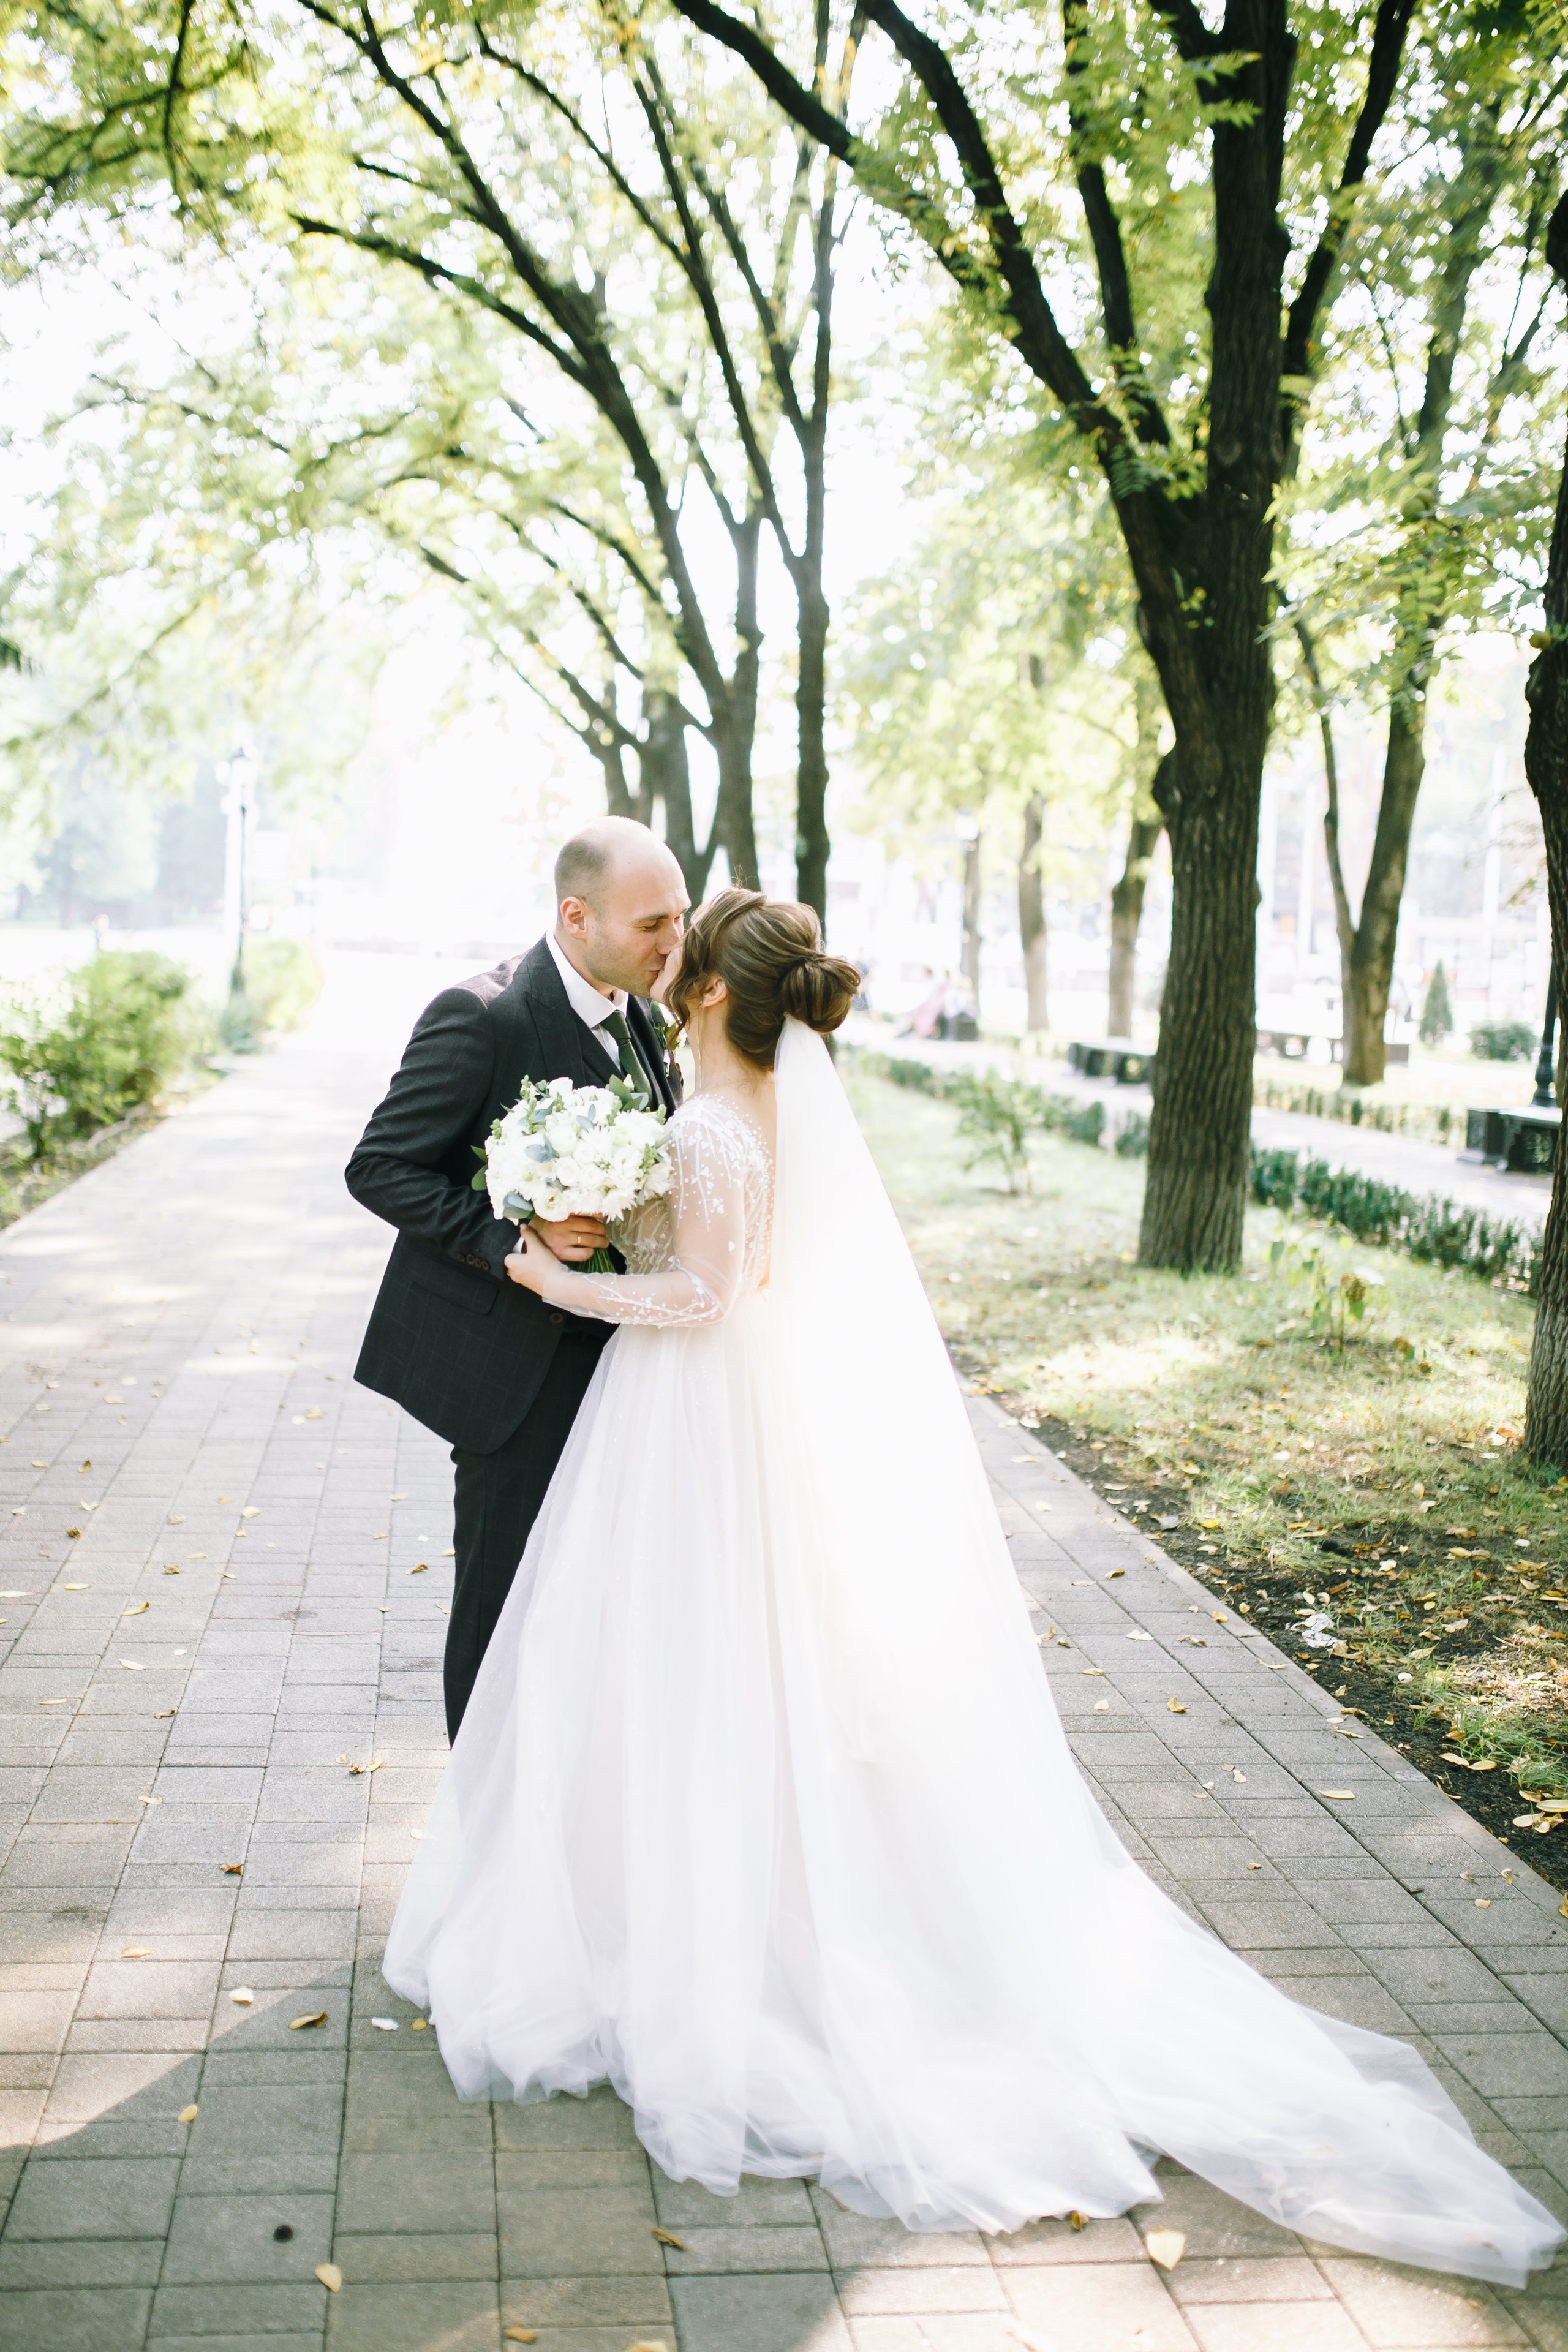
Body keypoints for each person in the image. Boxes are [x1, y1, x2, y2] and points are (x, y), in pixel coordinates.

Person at [383, 888, 1562, 2288]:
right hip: (731, 1422)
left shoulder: (708, 1119)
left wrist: (554, 1277)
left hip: (684, 1410)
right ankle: (730, 1904)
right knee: (740, 1669)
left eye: (673, 953)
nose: (659, 965)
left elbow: (701, 1294)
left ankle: (691, 1929)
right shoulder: (753, 1108)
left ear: (701, 995)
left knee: (682, 1661)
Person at [345, 817, 685, 1738]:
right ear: (577, 917)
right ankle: (482, 1834)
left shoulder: (643, 1015)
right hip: (513, 1374)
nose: (674, 943)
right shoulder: (482, 1016)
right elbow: (379, 1167)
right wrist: (510, 1240)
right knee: (503, 1607)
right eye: (653, 923)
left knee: (596, 1603)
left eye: (681, 919)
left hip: (622, 1360)